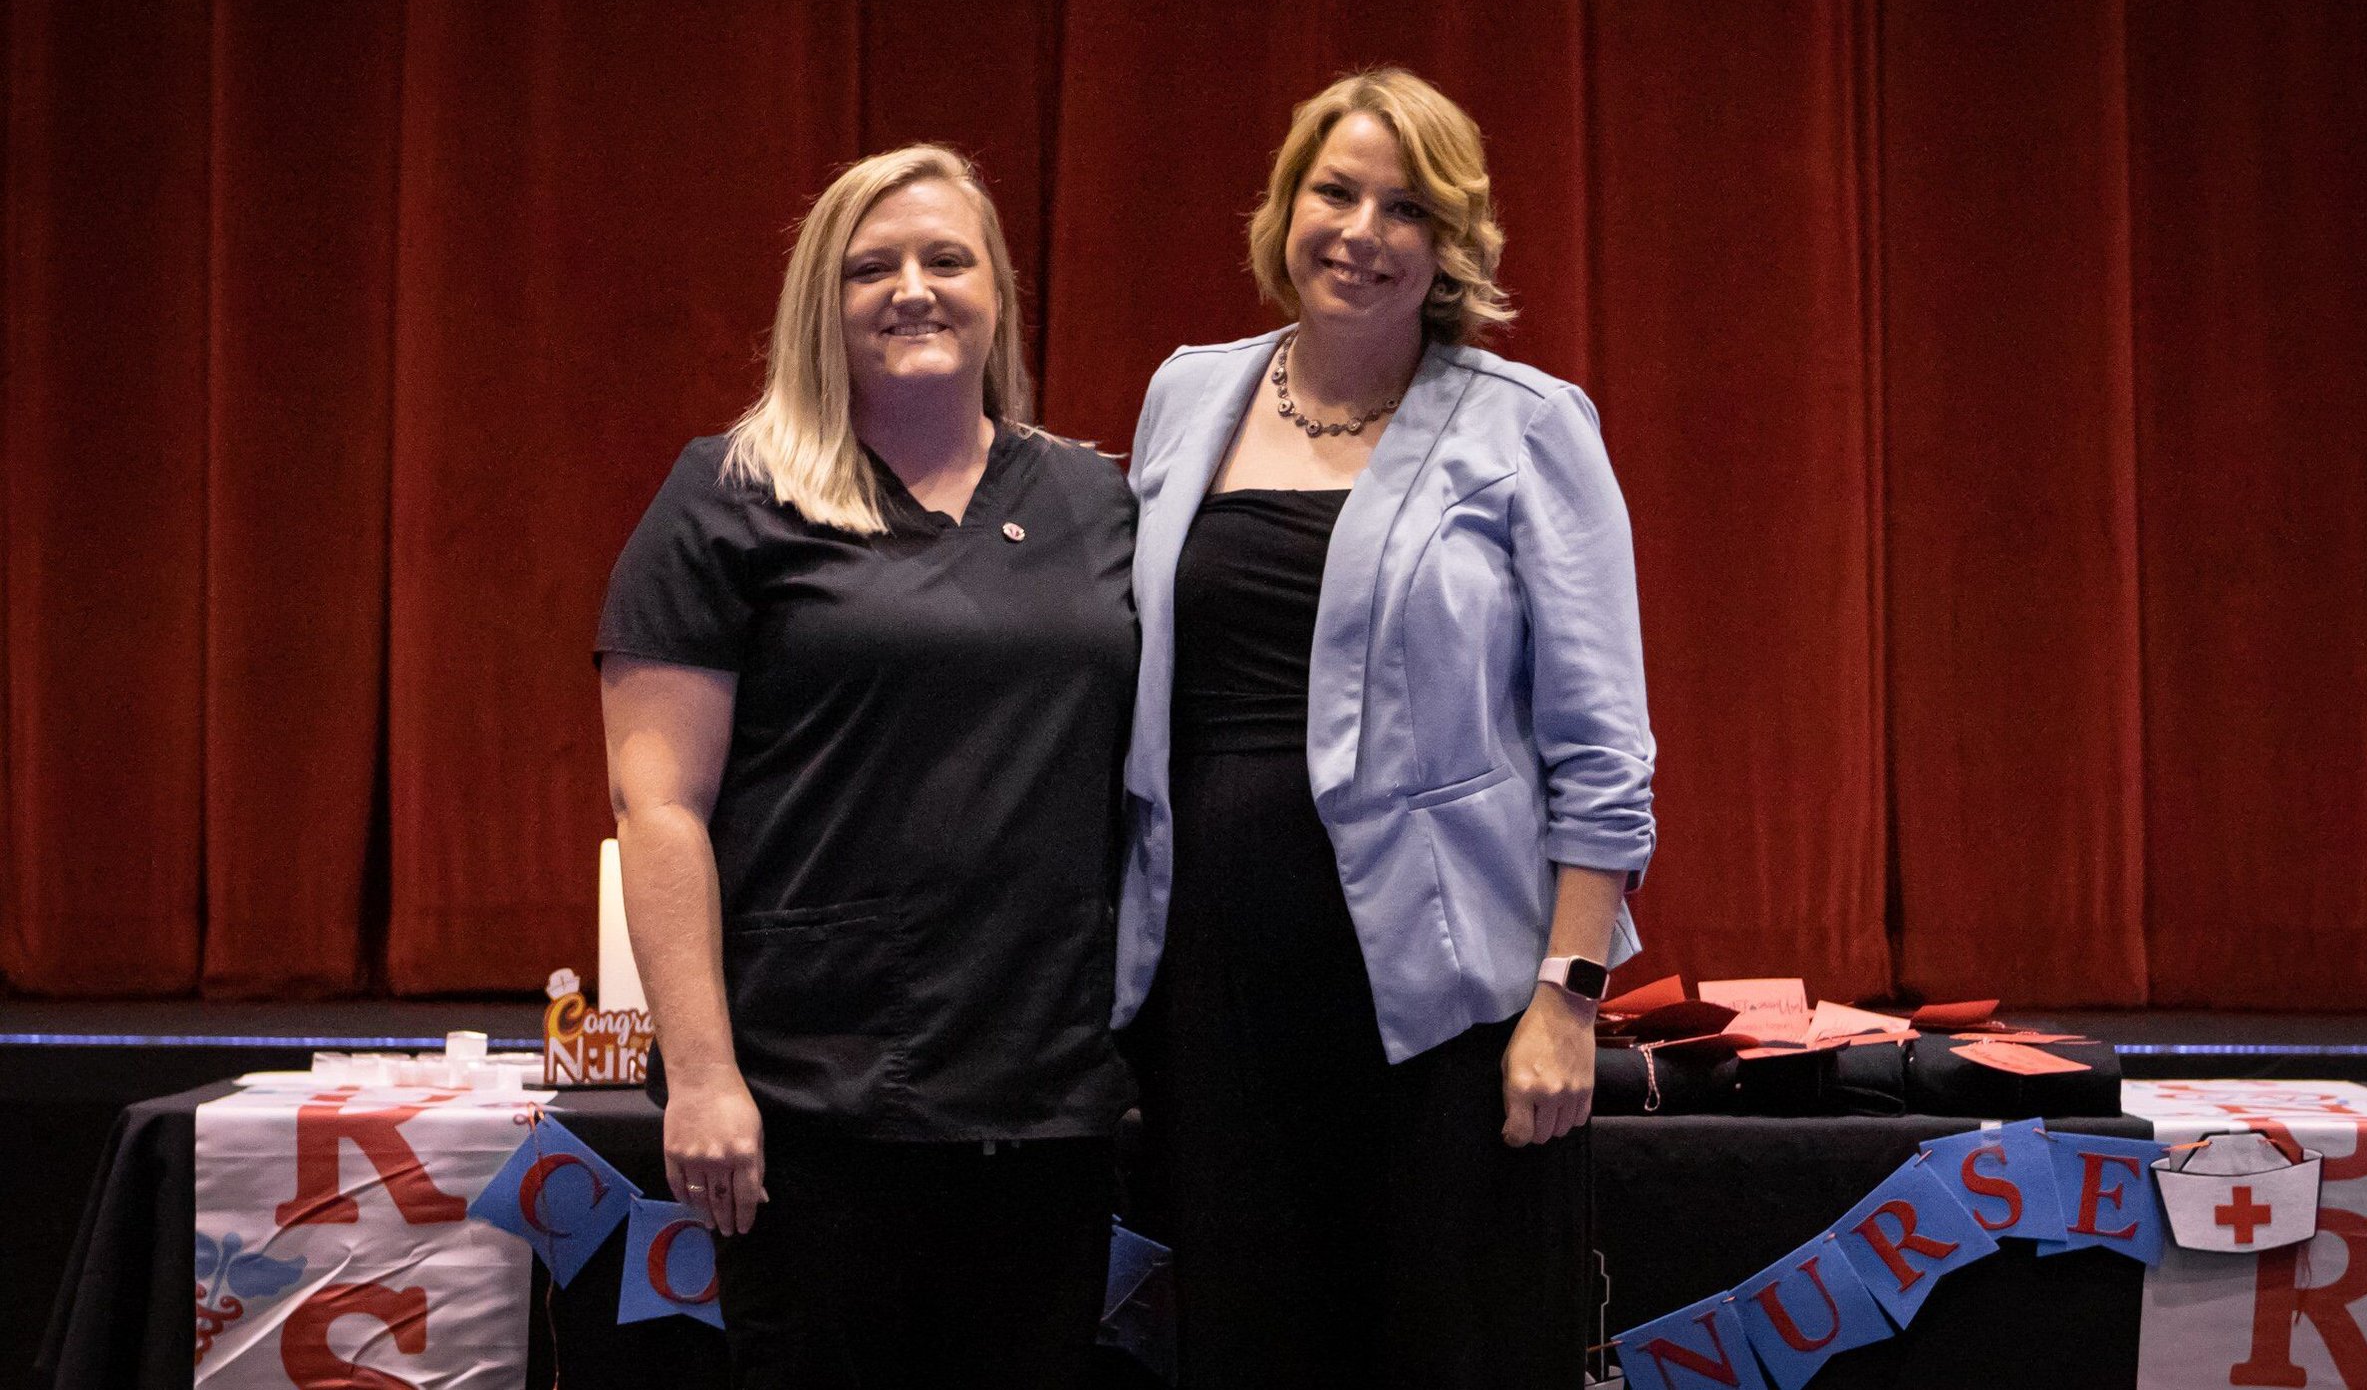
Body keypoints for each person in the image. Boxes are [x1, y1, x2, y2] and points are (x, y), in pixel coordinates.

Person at [1113, 69, 1656, 1387]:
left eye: (1404, 205)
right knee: (1248, 1348)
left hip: (1449, 1022)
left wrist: (1566, 1004)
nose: (1360, 230)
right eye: (1334, 190)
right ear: (1283, 206)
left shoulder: (1528, 427)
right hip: (1216, 998)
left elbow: (1602, 751)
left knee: (1449, 1352)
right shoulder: (1185, 397)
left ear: (1452, 241)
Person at [597, 145, 1136, 1389]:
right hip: (812, 1104)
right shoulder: (727, 496)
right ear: (818, 306)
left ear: (997, 290)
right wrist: (703, 1076)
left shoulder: (1094, 500)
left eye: (948, 260)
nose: (914, 288)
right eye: (871, 267)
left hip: (1047, 1095)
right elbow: (658, 803)